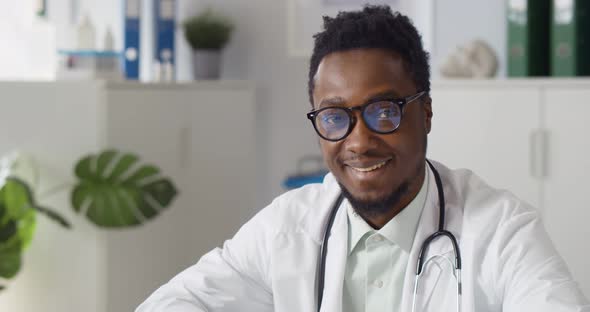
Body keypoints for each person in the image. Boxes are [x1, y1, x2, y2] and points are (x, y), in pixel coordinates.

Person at [136, 6, 589, 312]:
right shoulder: (287, 227)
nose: (359, 141)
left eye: (384, 111)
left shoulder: (499, 229)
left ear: (425, 112)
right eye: (335, 117)